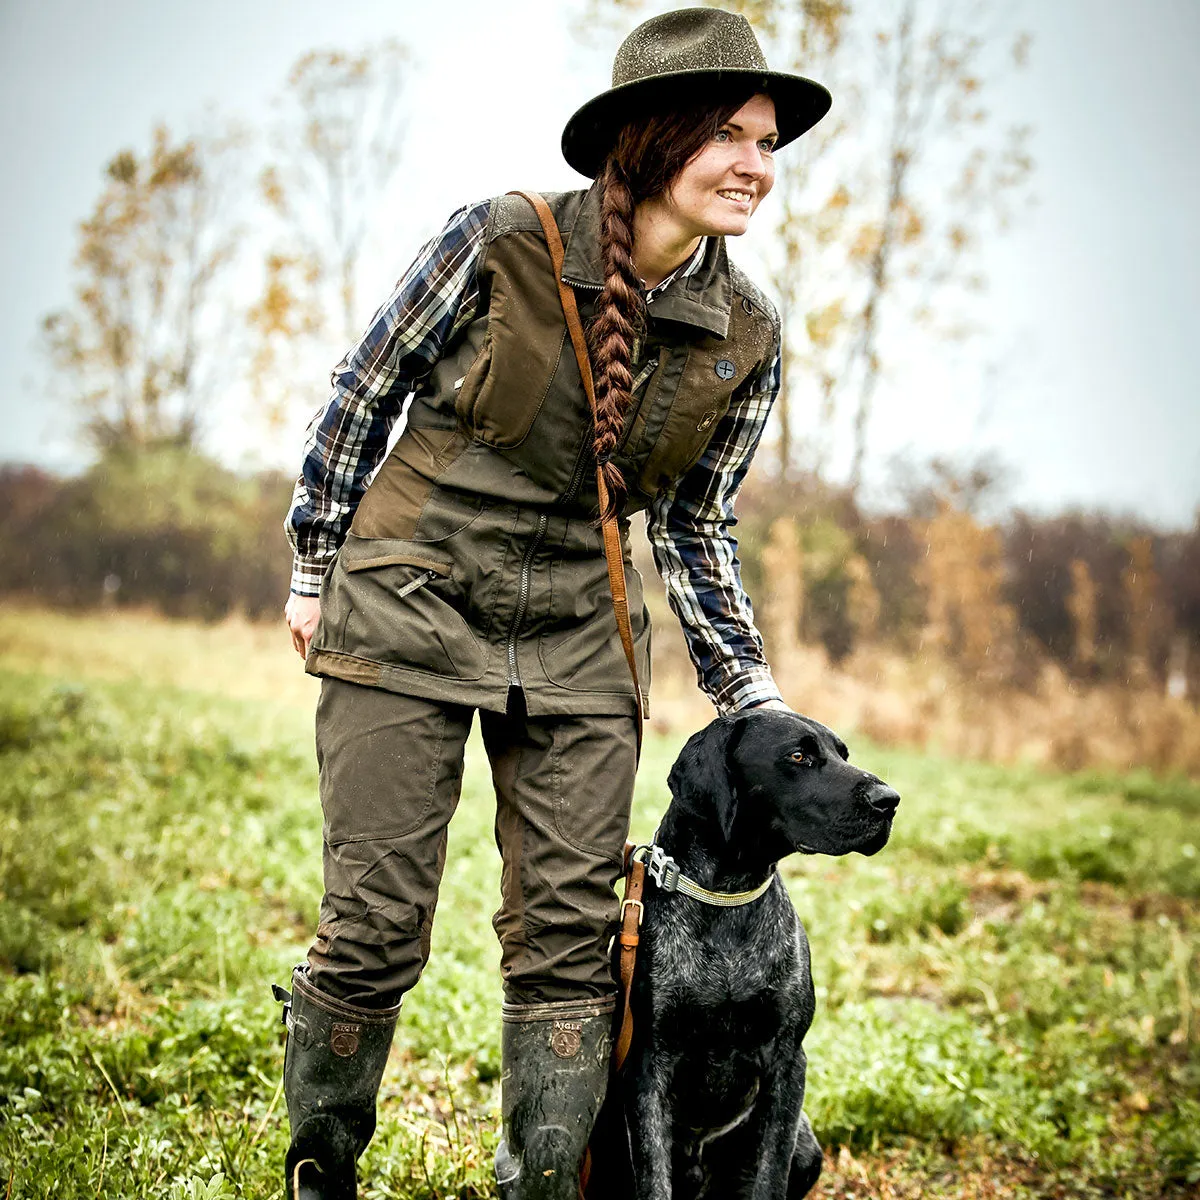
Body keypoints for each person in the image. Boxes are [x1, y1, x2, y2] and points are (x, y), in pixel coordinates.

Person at [276, 7, 831, 1199]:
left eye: (769, 143)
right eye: (729, 134)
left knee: (575, 944)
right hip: (410, 593)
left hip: (582, 633)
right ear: (649, 138)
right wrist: (318, 559)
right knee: (374, 922)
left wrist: (750, 692)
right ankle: (321, 1169)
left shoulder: (750, 331)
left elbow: (695, 524)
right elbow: (363, 391)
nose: (756, 165)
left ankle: (543, 1184)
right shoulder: (499, 240)